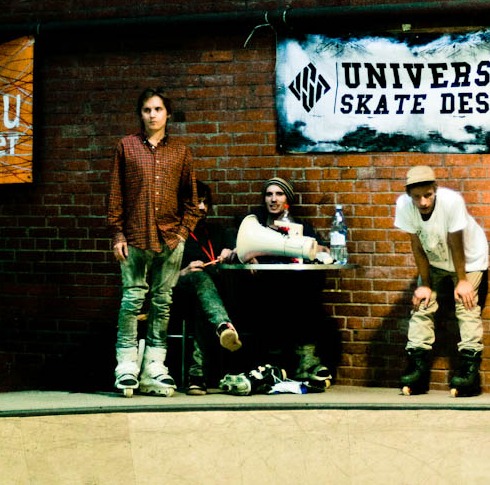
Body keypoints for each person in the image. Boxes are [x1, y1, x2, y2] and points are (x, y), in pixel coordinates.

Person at [107, 87, 200, 396]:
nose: (152, 115)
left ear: (167, 114)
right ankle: (126, 366)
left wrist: (182, 234)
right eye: (147, 110)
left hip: (170, 239)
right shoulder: (126, 146)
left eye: (158, 109)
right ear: (141, 114)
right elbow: (116, 194)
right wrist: (117, 234)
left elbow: (192, 200)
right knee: (132, 300)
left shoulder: (181, 152)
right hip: (134, 236)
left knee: (162, 303)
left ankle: (155, 368)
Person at [224, 176, 333, 387]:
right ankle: (276, 363)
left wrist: (315, 248)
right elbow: (240, 248)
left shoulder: (302, 227)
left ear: (287, 199)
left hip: (293, 287)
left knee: (306, 297)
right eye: (269, 194)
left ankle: (306, 362)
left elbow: (322, 250)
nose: (273, 199)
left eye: (279, 194)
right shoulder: (254, 225)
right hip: (262, 287)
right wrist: (246, 257)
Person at [395, 165, 489, 397]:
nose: (423, 202)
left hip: (469, 258)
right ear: (409, 195)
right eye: (417, 197)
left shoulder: (451, 201)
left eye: (428, 195)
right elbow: (416, 245)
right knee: (422, 305)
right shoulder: (404, 206)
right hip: (435, 258)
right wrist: (425, 285)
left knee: (466, 304)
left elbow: (456, 242)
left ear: (435, 189)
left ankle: (469, 374)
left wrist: (463, 280)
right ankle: (417, 370)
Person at [175, 180, 242, 395]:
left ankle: (197, 376)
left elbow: (241, 251)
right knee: (199, 278)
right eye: (197, 202)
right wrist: (184, 271)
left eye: (205, 202)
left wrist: (231, 252)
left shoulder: (217, 231)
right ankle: (223, 326)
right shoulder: (173, 236)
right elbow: (158, 278)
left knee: (203, 302)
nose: (203, 207)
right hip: (179, 296)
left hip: (212, 298)